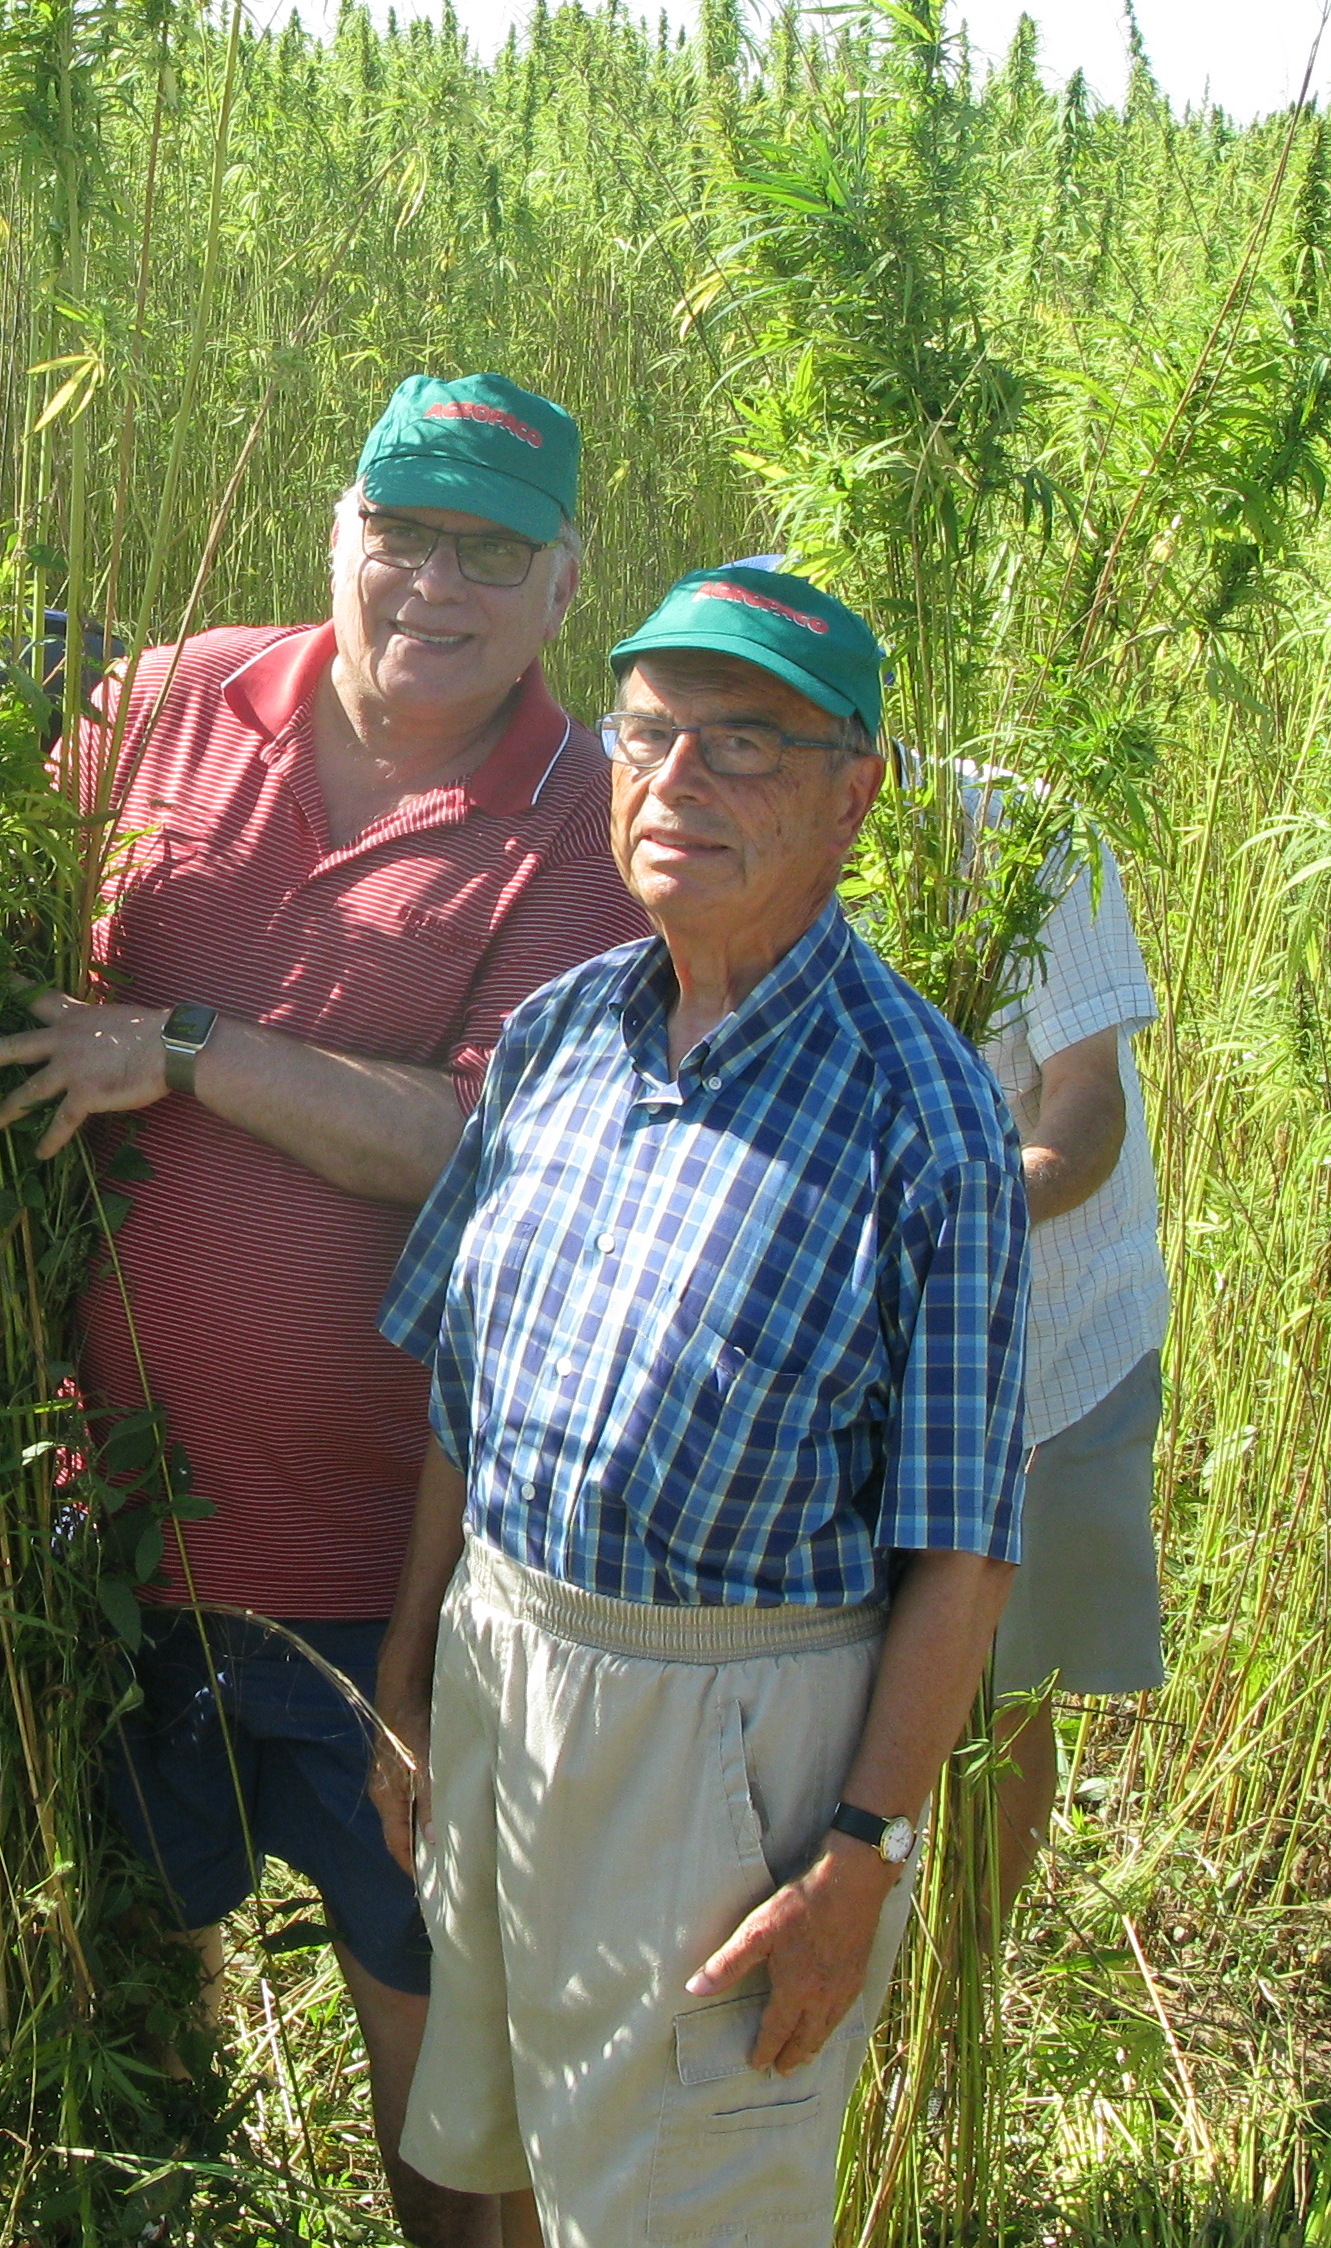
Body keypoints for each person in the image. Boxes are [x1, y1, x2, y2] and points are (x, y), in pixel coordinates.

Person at [0, 373, 649, 2247]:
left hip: (392, 1568)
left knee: (429, 2044)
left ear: (563, 579)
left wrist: (180, 1048)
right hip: (106, 1526)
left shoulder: (580, 812)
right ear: (339, 526)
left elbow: (488, 1141)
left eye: (489, 546)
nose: (435, 578)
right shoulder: (173, 697)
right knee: (132, 1991)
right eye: (403, 527)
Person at [368, 564, 1029, 2247]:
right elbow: (466, 1381)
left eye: (748, 747)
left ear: (855, 792)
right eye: (651, 735)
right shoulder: (561, 1036)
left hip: (727, 1752)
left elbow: (961, 1551)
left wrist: (861, 1855)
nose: (679, 781)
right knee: (496, 2150)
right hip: (505, 1676)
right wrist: (410, 1667)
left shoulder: (923, 1115)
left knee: (688, 2208)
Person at [973, 800, 1167, 1910]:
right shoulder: (706, 820)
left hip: (1051, 1339)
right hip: (853, 1353)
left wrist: (967, 1212)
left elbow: (1088, 1105)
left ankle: (954, 2004)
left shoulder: (1030, 835)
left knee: (1003, 1687)